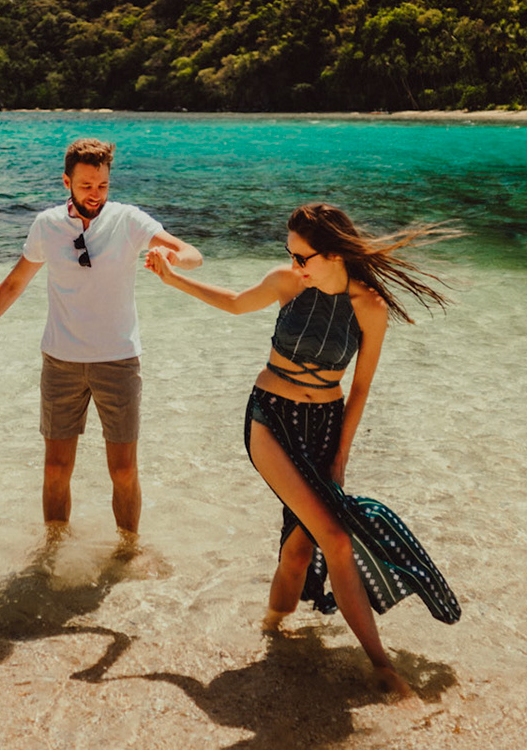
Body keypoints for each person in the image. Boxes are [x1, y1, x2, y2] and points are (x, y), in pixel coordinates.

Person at [146, 202, 460, 704]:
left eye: (301, 256)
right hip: (269, 418)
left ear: (332, 252)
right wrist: (171, 280)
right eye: (290, 255)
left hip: (324, 428)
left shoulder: (369, 306)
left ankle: (272, 627)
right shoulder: (287, 283)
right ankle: (381, 666)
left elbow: (360, 390)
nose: (294, 264)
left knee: (300, 547)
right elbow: (232, 301)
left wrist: (340, 456)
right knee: (334, 538)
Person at [0, 138, 201, 541]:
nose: (95, 195)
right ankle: (52, 553)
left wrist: (172, 261)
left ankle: (126, 551)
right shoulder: (47, 226)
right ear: (66, 181)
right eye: (86, 185)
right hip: (60, 363)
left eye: (102, 185)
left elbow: (192, 252)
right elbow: (14, 284)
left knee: (122, 470)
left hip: (118, 361)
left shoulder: (129, 220)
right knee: (55, 469)